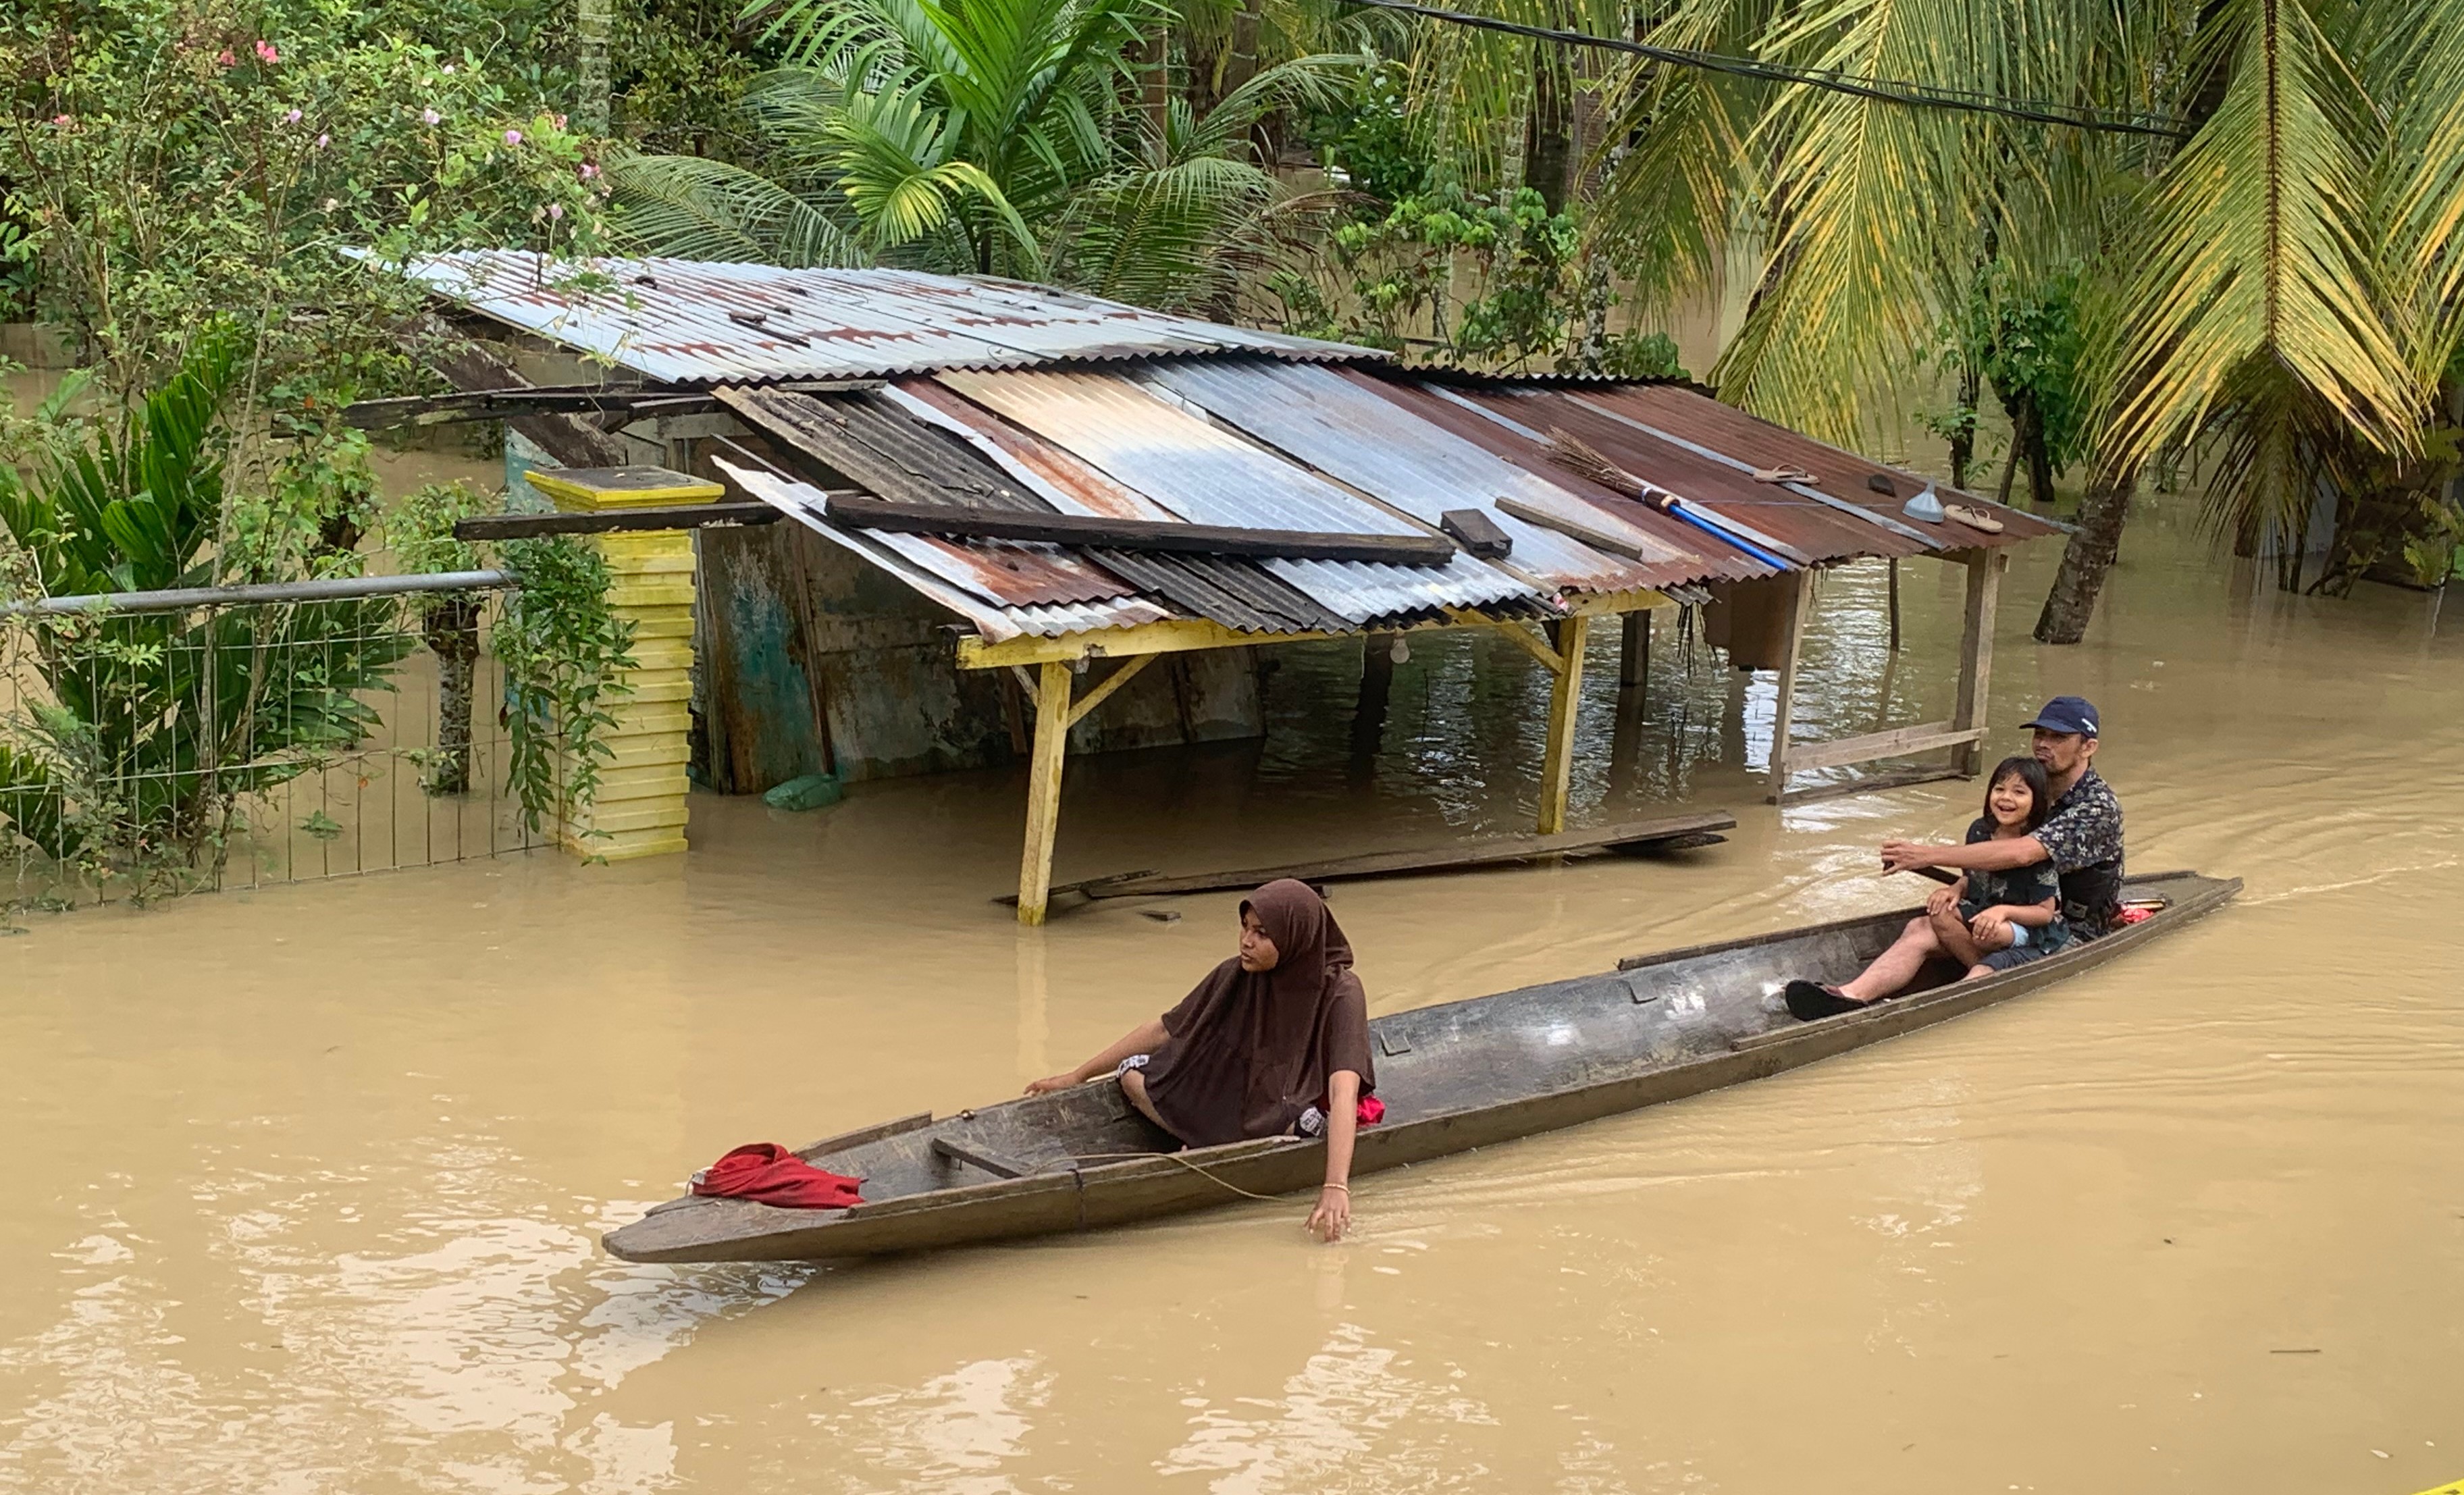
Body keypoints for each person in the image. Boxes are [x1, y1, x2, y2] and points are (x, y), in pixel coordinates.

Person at [1025, 878, 1375, 1242]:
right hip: (1244, 1096)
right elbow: (1165, 1029)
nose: (1246, 941)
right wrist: (1079, 1076)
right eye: (1245, 927)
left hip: (1292, 1105)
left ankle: (1215, 1140)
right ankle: (1216, 1140)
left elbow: (1343, 1090)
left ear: (1294, 938)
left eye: (1262, 934)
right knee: (1130, 1073)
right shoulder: (1236, 973)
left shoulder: (1342, 992)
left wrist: (1336, 1185)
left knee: (1313, 1120)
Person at [1787, 756, 2068, 1016]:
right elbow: (1977, 877)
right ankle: (1850, 995)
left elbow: (2045, 913)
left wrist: (2004, 912)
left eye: (2019, 792)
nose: (2006, 798)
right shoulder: (1980, 830)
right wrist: (1955, 890)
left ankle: (1975, 975)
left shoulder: (2037, 847)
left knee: (1991, 938)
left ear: (2036, 801)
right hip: (1983, 920)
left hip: (2029, 934)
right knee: (1926, 922)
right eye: (1999, 789)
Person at [1881, 695, 2125, 938]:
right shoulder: (2029, 789)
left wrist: (1924, 856)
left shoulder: (2099, 807)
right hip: (2009, 910)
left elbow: (2022, 853)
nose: (2043, 744)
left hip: (2070, 929)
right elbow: (1993, 850)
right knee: (1920, 929)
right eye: (2040, 734)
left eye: (2058, 738)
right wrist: (1960, 886)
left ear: (2088, 747)